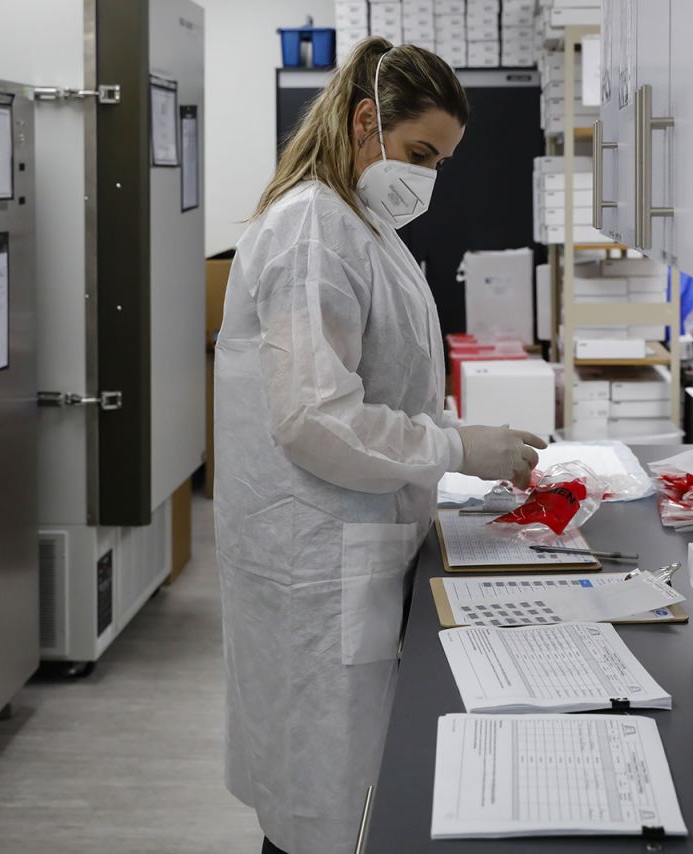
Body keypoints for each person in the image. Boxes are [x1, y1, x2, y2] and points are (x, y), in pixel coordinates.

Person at [214, 37, 547, 854]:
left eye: (441, 161)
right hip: (316, 557)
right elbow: (315, 418)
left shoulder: (360, 223)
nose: (428, 177)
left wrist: (450, 452)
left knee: (339, 796)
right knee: (315, 806)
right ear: (367, 122)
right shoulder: (311, 232)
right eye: (418, 153)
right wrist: (457, 447)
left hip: (353, 538)